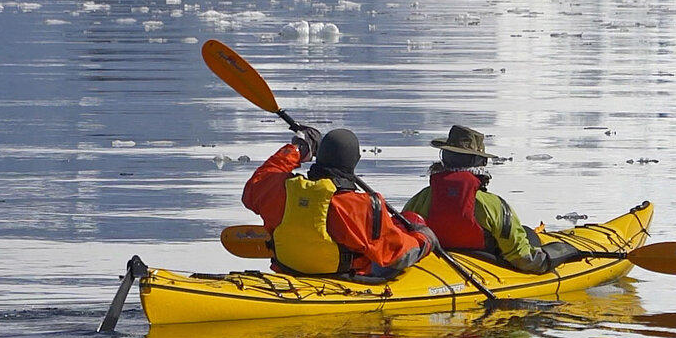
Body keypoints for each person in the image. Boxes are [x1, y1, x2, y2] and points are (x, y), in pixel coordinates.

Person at [242, 126, 432, 279]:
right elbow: (397, 256)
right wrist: (424, 239)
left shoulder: (279, 190)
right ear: (354, 162)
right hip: (344, 277)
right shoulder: (361, 206)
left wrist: (299, 148)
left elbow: (262, 179)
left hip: (288, 269)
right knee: (404, 232)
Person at [404, 125, 576, 273]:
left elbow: (403, 241)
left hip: (437, 265)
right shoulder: (493, 206)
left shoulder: (420, 200)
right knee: (527, 233)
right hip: (485, 267)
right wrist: (550, 259)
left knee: (527, 232)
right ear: (479, 162)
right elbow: (522, 258)